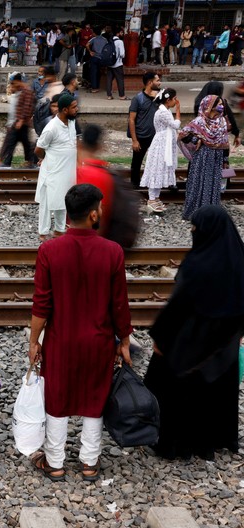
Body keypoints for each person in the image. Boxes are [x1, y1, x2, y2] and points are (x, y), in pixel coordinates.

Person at [28, 183, 133, 482]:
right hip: (98, 340)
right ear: (91, 214)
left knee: (58, 397)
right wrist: (123, 339)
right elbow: (119, 304)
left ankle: (56, 461)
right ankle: (89, 461)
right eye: (99, 207)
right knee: (94, 396)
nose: (101, 211)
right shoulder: (112, 251)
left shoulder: (49, 250)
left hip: (61, 340)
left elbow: (41, 304)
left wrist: (34, 341)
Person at [144, 205, 244, 461]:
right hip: (225, 346)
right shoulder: (238, 259)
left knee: (176, 388)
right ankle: (214, 439)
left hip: (190, 344)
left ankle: (178, 444)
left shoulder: (197, 265)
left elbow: (177, 308)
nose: (192, 232)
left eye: (195, 228)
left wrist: (160, 338)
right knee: (218, 391)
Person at [35, 94, 78, 242]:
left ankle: (59, 230)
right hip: (53, 171)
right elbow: (38, 149)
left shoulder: (71, 122)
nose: (77, 109)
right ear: (65, 109)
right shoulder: (51, 128)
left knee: (63, 200)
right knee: (47, 203)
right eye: (74, 107)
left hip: (67, 171)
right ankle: (43, 232)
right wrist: (46, 158)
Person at [181, 95, 230, 220]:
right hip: (202, 157)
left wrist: (225, 160)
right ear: (210, 107)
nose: (222, 106)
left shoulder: (222, 121)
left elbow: (225, 142)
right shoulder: (199, 121)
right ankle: (195, 213)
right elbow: (183, 134)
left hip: (217, 158)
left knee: (213, 184)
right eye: (219, 104)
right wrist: (196, 139)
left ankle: (210, 214)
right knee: (199, 182)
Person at [141, 88, 181, 214]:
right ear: (168, 100)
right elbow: (175, 125)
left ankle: (156, 197)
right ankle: (151, 199)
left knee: (161, 168)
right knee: (156, 168)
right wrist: (178, 111)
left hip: (165, 143)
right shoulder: (163, 112)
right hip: (161, 144)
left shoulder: (166, 111)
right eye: (174, 99)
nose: (176, 101)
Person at [76, 125, 114, 238]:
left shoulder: (76, 172)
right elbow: (104, 212)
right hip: (94, 236)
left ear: (81, 145)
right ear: (99, 147)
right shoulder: (105, 175)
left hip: (77, 235)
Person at [128, 72, 161, 187]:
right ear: (150, 82)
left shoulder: (159, 97)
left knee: (156, 162)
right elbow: (131, 120)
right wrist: (134, 140)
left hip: (156, 136)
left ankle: (153, 184)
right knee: (136, 163)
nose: (159, 82)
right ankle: (135, 185)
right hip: (141, 136)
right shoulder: (138, 99)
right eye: (157, 80)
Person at [1, 72, 35, 168]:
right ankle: (9, 161)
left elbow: (27, 107)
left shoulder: (27, 91)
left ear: (19, 81)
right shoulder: (21, 91)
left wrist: (21, 120)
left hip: (22, 123)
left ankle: (28, 161)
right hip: (19, 122)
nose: (14, 85)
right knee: (18, 142)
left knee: (22, 143)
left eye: (15, 83)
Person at [106, 28, 126, 100]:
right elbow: (122, 54)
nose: (122, 34)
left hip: (109, 64)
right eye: (121, 32)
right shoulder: (120, 42)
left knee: (109, 80)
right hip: (118, 64)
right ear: (118, 33)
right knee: (120, 80)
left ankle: (109, 95)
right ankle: (121, 96)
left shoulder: (109, 41)